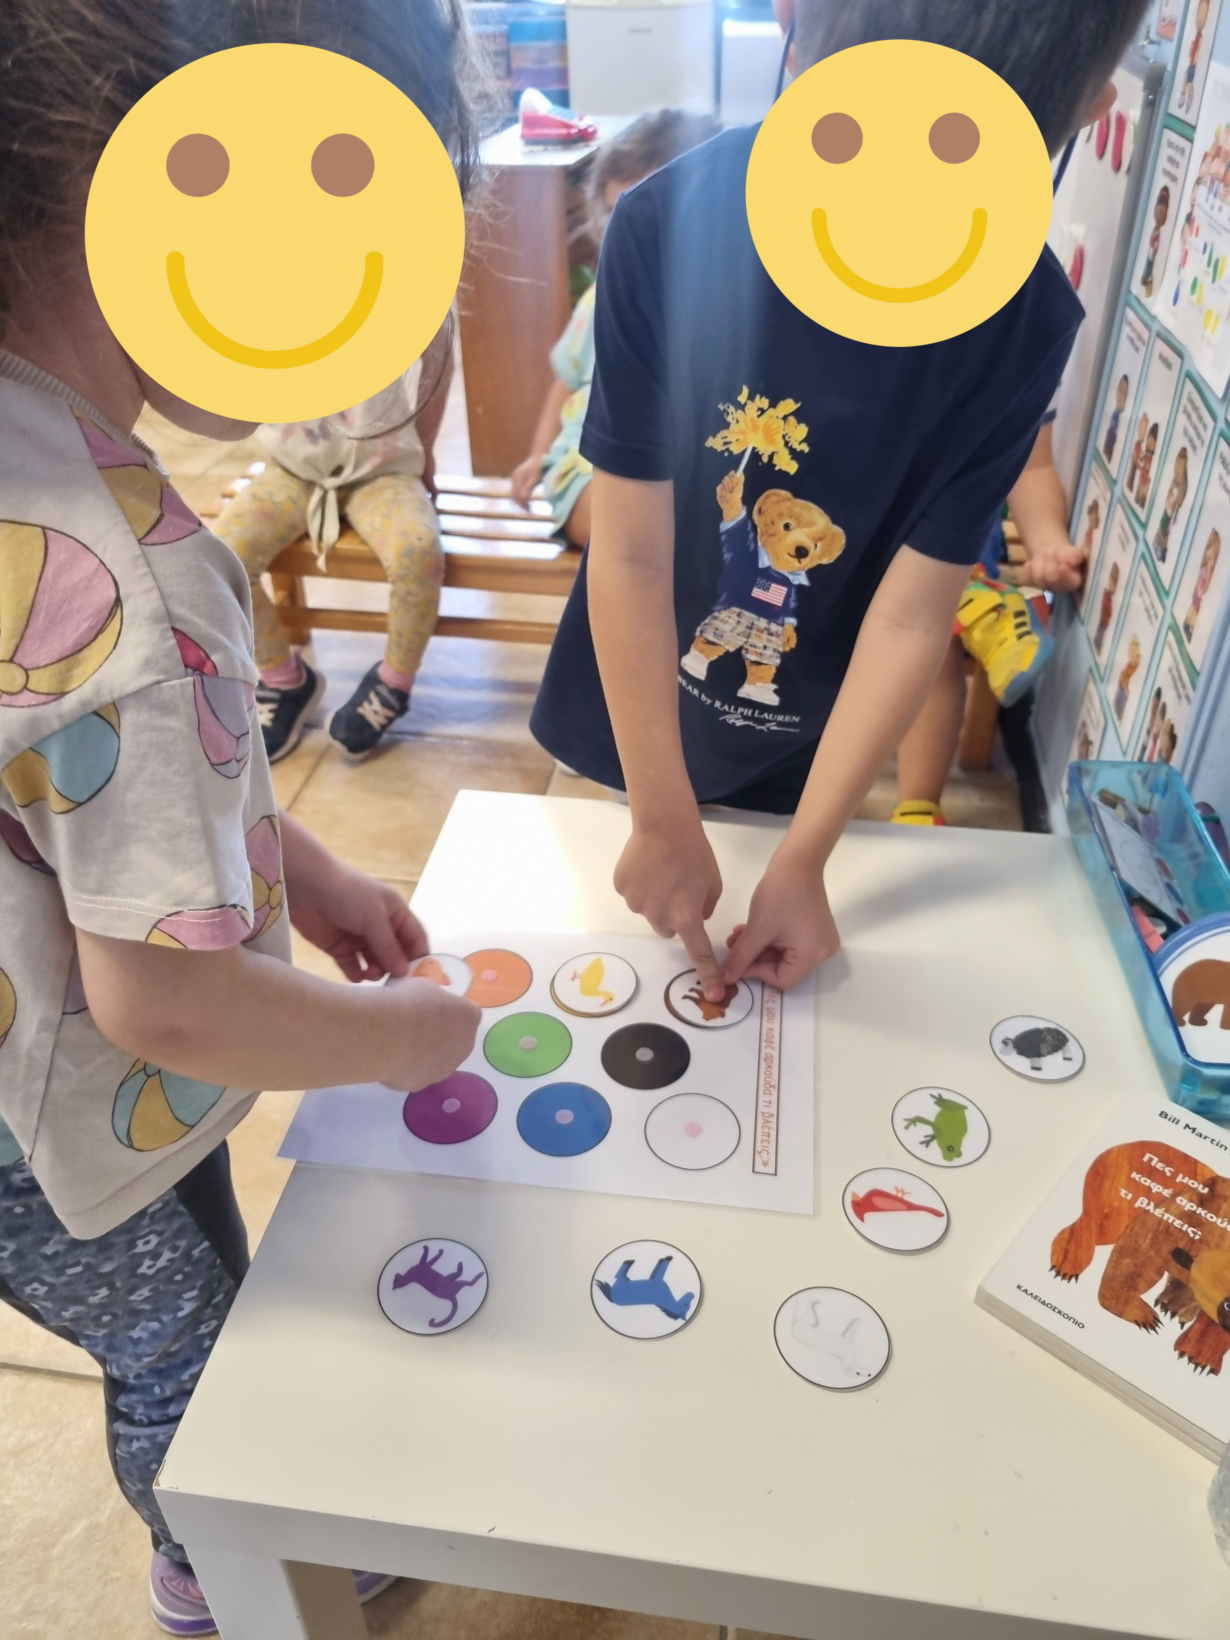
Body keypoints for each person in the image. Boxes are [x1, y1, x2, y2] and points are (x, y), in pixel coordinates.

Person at [0, 2, 483, 1633]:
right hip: (45, 1120)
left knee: (185, 1280)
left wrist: (299, 858)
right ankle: (225, 1571)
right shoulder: (135, 579)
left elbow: (59, 795)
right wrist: (403, 1042)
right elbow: (171, 1003)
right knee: (187, 1348)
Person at [530, 0, 1143, 999]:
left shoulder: (1027, 321)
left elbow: (911, 615)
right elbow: (630, 553)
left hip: (807, 739)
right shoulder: (670, 223)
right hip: (629, 713)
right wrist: (659, 812)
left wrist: (806, 858)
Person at [213, 343, 455, 761]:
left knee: (419, 554)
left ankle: (393, 684)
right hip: (292, 468)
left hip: (386, 470)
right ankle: (283, 679)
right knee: (220, 556)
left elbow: (438, 357)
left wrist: (427, 449)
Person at [509, 110, 721, 545]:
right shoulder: (602, 298)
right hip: (588, 465)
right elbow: (566, 382)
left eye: (651, 214)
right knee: (629, 529)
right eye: (616, 216)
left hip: (687, 470)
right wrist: (537, 454)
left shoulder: (723, 301)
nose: (632, 235)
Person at [890, 415, 1085, 827]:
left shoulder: (1014, 374)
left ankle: (918, 812)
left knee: (930, 624)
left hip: (950, 529)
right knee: (928, 611)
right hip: (836, 521)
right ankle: (979, 608)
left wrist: (1049, 546)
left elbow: (1031, 463)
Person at [1182, 527, 1221, 642]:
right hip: (1198, 593)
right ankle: (1188, 622)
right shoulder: (1203, 570)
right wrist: (1197, 590)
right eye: (1208, 551)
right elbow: (1200, 581)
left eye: (1212, 559)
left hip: (1199, 594)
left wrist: (1209, 568)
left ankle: (1190, 625)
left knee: (1196, 609)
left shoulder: (1207, 571)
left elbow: (1205, 585)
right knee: (1194, 607)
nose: (1210, 559)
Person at [1152, 444, 1188, 562]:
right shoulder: (1176, 481)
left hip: (1171, 510)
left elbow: (1179, 499)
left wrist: (1175, 506)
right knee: (1164, 525)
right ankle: (1159, 544)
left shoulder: (1182, 483)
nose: (1177, 468)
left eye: (1179, 466)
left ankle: (1161, 548)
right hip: (1168, 509)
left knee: (1165, 527)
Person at [1093, 558, 1121, 654]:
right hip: (1103, 619)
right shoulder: (1107, 595)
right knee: (1100, 631)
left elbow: (1109, 609)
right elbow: (1107, 608)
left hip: (1104, 620)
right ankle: (1097, 644)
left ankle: (1098, 645)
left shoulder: (1108, 596)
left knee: (1101, 632)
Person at [1102, 373, 1129, 464]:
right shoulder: (1112, 412)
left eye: (1123, 394)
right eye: (1119, 390)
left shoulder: (1119, 418)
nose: (1120, 396)